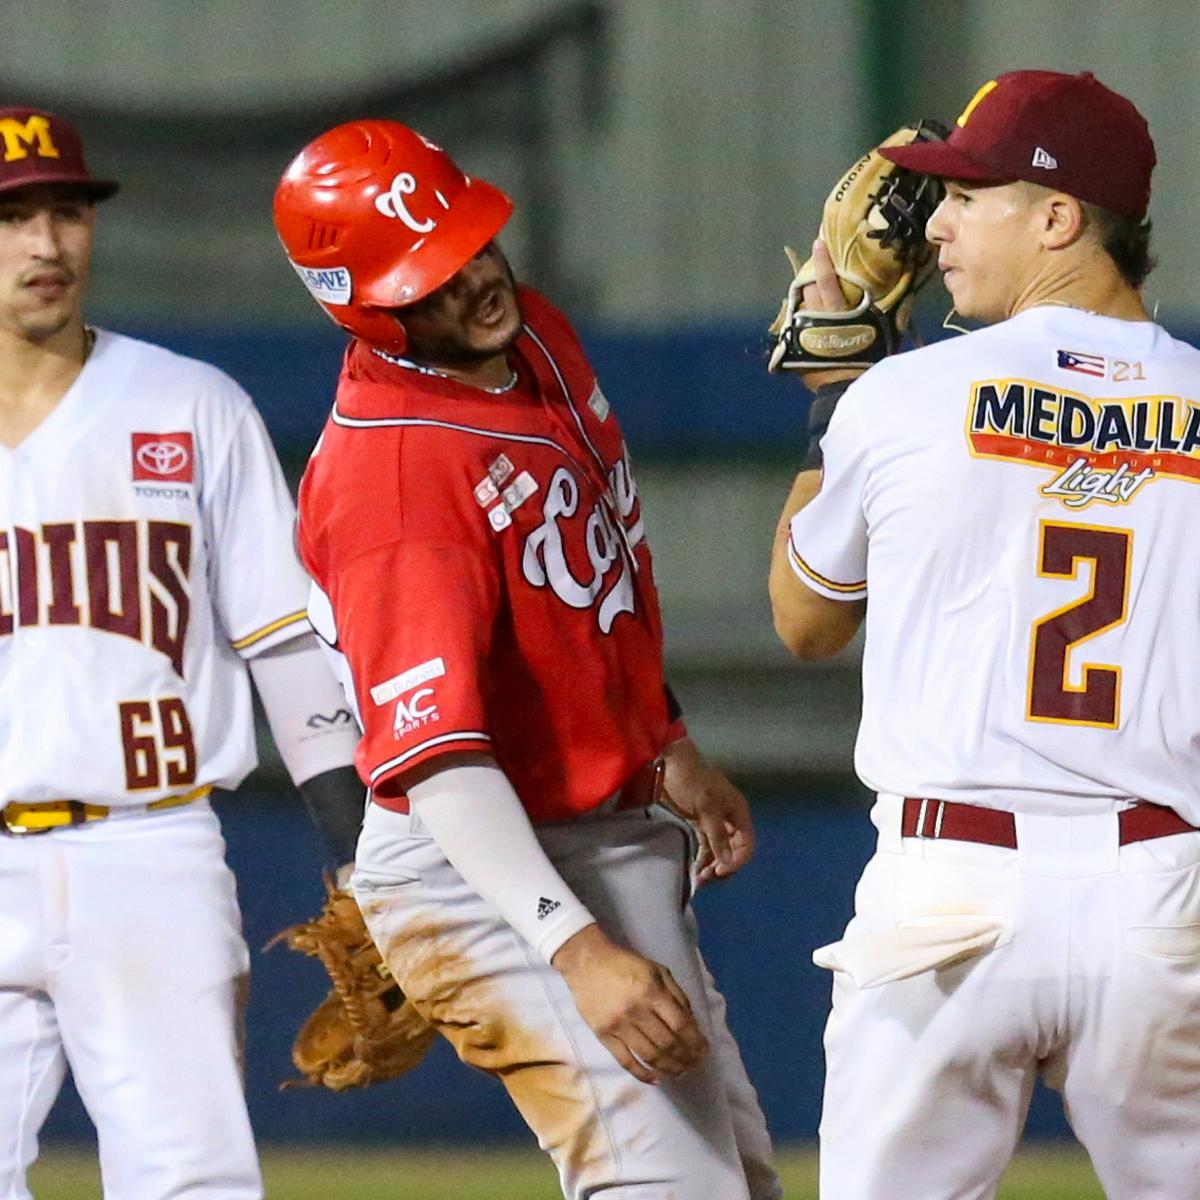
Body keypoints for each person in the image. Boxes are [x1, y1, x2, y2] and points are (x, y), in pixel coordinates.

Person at [273, 119, 781, 1200]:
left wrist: (668, 741)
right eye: (430, 275)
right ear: (366, 309)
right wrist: (572, 949)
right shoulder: (396, 482)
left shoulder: (529, 338)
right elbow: (440, 760)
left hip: (599, 829)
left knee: (741, 1182)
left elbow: (594, 584)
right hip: (478, 864)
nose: (473, 281)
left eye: (469, 244)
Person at [769, 69, 1200, 1198]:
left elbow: (805, 621)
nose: (938, 224)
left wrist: (833, 384)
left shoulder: (904, 398)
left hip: (949, 892)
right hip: (1162, 890)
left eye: (971, 194)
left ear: (1060, 218)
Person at [0, 107, 366, 1199]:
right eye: (14, 217)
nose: (47, 244)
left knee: (189, 1184)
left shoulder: (189, 404)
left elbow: (284, 642)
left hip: (146, 849)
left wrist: (354, 844)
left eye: (67, 211)